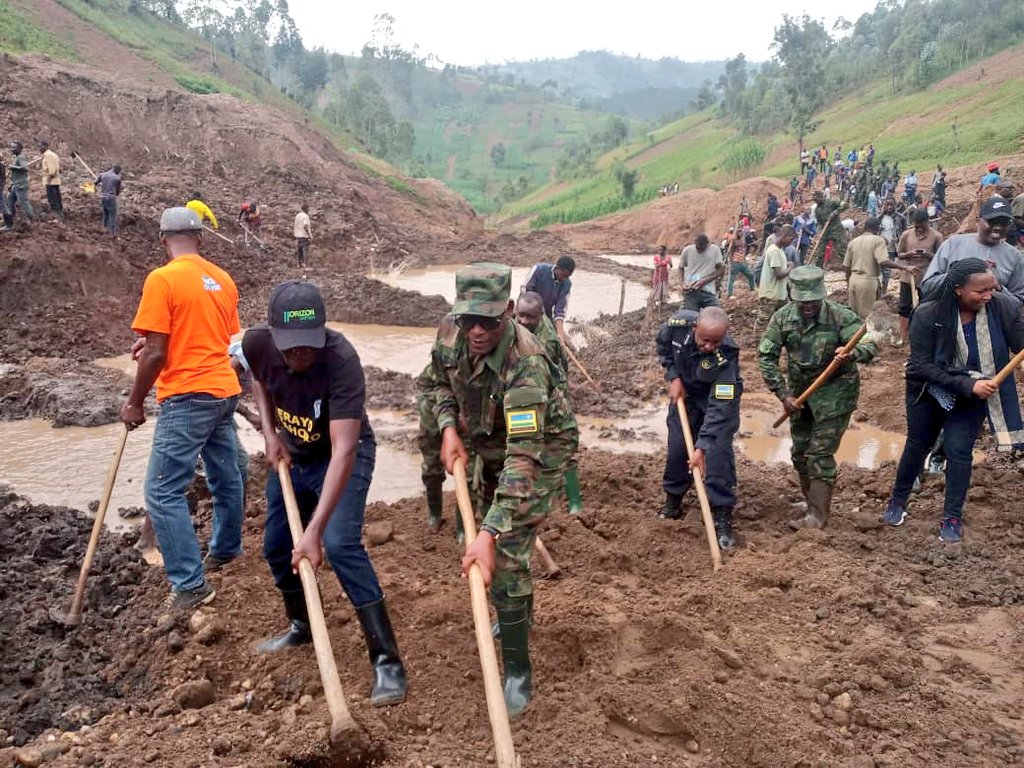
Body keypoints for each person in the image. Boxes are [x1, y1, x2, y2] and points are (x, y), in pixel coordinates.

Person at [424, 263, 578, 718]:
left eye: (488, 321)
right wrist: (448, 427)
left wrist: (488, 535)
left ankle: (517, 671)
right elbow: (436, 385)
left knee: (507, 549)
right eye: (469, 319)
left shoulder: (526, 362)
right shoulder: (450, 334)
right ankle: (518, 613)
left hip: (542, 449)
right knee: (505, 547)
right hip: (483, 437)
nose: (476, 331)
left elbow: (523, 459)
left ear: (508, 311)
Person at [242, 281, 406, 706]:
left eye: (308, 345)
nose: (300, 354)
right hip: (294, 455)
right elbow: (259, 382)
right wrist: (270, 432)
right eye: (291, 347)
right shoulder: (257, 343)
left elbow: (345, 448)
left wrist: (314, 530)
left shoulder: (341, 360)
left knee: (339, 543)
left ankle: (387, 661)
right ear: (274, 336)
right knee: (277, 547)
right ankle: (301, 627)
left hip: (341, 455)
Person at [119, 207, 243, 610]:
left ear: (162, 240)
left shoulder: (162, 278)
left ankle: (190, 585)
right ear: (201, 240)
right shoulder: (222, 280)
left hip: (188, 396)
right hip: (224, 390)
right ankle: (226, 549)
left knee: (161, 489)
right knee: (227, 477)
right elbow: (219, 339)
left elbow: (155, 354)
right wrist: (157, 346)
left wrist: (135, 402)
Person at [881, 259, 1024, 542]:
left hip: (973, 395)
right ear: (958, 289)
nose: (987, 296)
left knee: (959, 452)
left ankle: (952, 516)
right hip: (928, 390)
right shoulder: (928, 314)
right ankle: (898, 501)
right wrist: (968, 384)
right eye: (979, 291)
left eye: (991, 289)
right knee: (918, 444)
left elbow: (1019, 344)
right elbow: (921, 365)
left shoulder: (1001, 308)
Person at [757, 266, 878, 529]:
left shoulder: (840, 316)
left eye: (813, 300)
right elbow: (766, 356)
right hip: (800, 396)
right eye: (802, 301)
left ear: (821, 295)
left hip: (835, 394)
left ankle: (818, 517)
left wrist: (851, 354)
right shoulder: (782, 319)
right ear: (793, 296)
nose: (808, 305)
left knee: (819, 454)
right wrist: (783, 394)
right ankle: (810, 502)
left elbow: (869, 344)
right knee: (800, 452)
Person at [655, 306, 742, 548]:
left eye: (715, 342)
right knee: (678, 450)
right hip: (686, 395)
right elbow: (663, 346)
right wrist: (673, 376)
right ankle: (673, 501)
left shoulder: (727, 354)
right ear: (695, 329)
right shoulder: (677, 326)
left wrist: (702, 447)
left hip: (716, 401)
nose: (709, 347)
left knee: (717, 453)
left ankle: (722, 513)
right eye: (705, 340)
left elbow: (719, 408)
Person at [514, 291, 582, 515]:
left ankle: (573, 502)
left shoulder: (545, 342)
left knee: (558, 444)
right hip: (527, 389)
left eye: (529, 317)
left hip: (550, 393)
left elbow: (541, 383)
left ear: (540, 315)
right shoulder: (518, 327)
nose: (524, 321)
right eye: (520, 316)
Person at [921, 198, 1024, 303]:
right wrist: (961, 273)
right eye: (992, 222)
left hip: (996, 319)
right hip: (950, 317)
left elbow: (1018, 303)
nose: (998, 227)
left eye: (1004, 223)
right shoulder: (953, 244)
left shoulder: (1014, 257)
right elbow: (927, 287)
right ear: (978, 220)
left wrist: (998, 287)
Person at [843, 218, 908, 320]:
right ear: (878, 229)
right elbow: (883, 261)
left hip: (853, 281)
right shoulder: (878, 241)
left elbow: (846, 266)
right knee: (868, 317)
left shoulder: (853, 242)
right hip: (868, 282)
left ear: (865, 228)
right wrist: (904, 267)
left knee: (854, 316)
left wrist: (848, 283)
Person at [896, 208, 943, 341]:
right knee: (904, 307)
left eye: (922, 226)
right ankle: (903, 337)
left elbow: (940, 257)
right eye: (917, 226)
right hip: (908, 276)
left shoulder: (937, 236)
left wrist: (927, 255)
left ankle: (924, 335)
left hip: (927, 277)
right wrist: (908, 254)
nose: (919, 229)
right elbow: (899, 254)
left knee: (926, 306)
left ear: (928, 222)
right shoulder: (906, 235)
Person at [521, 255, 576, 345]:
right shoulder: (538, 270)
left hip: (546, 315)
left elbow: (560, 310)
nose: (565, 279)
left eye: (568, 276)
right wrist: (536, 312)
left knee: (563, 343)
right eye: (564, 275)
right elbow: (525, 291)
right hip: (526, 310)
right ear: (557, 268)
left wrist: (560, 334)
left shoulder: (566, 284)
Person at [757, 225, 796, 321]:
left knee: (781, 322)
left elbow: (778, 266)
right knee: (763, 322)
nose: (791, 243)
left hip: (779, 295)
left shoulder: (779, 251)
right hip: (771, 296)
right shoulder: (774, 250)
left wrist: (786, 264)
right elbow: (778, 274)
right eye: (790, 240)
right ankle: (759, 337)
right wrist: (790, 268)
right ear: (784, 236)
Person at [679, 234, 725, 311]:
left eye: (702, 248)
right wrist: (682, 283)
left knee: (716, 314)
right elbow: (681, 267)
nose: (699, 250)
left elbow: (721, 270)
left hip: (708, 291)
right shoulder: (687, 251)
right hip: (691, 292)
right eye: (697, 248)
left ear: (708, 244)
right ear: (695, 243)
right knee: (691, 317)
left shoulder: (714, 250)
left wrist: (705, 280)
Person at [807, 192, 846, 267]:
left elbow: (845, 205)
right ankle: (818, 268)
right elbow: (819, 223)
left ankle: (847, 266)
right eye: (815, 200)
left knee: (842, 249)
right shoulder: (817, 210)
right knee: (821, 251)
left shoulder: (831, 202)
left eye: (817, 199)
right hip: (826, 231)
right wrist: (819, 232)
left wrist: (835, 212)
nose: (816, 202)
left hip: (837, 229)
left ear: (821, 197)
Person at [1, 141, 33, 230]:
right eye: (11, 147)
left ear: (20, 149)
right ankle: (10, 222)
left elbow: (25, 168)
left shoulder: (21, 157)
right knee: (10, 202)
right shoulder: (17, 157)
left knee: (24, 202)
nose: (12, 149)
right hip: (15, 184)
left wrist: (13, 167)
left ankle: (31, 220)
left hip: (21, 185)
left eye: (14, 147)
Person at [726, 229, 755, 298]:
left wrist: (745, 260)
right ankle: (730, 294)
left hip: (742, 262)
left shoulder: (742, 241)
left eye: (741, 232)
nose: (741, 234)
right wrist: (731, 264)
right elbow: (730, 253)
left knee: (751, 275)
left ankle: (752, 289)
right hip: (735, 262)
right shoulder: (733, 242)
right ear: (736, 234)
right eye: (739, 232)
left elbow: (743, 252)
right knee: (731, 279)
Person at [96, 165, 122, 236]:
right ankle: (112, 234)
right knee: (112, 216)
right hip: (111, 198)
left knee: (106, 214)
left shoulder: (102, 175)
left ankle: (103, 229)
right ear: (117, 171)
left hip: (103, 197)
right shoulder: (117, 178)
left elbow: (95, 183)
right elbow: (117, 192)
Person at [39, 141, 62, 222]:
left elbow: (52, 171)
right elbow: (59, 169)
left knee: (53, 200)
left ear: (45, 146)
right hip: (56, 181)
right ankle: (60, 217)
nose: (39, 149)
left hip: (51, 182)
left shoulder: (48, 155)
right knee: (57, 199)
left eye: (40, 146)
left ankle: (57, 218)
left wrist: (48, 180)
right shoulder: (53, 155)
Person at [294, 203, 312, 267]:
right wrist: (310, 235)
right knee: (305, 251)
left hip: (298, 236)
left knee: (299, 251)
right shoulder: (305, 216)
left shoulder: (297, 215)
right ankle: (306, 266)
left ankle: (299, 264)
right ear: (306, 209)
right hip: (304, 236)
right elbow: (305, 226)